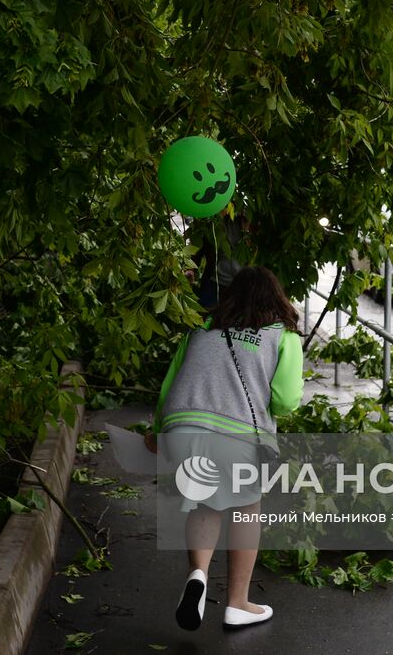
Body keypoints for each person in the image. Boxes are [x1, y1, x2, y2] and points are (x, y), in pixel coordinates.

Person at [144, 265, 304, 631]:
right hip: (238, 435)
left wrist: (157, 432)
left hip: (183, 429)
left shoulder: (202, 329)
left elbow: (169, 386)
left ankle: (198, 575)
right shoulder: (282, 337)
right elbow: (286, 401)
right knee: (246, 508)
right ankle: (237, 603)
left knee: (204, 502)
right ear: (276, 299)